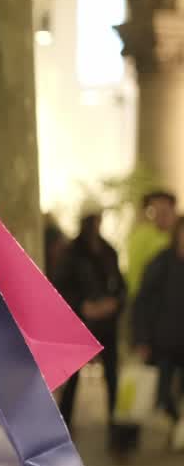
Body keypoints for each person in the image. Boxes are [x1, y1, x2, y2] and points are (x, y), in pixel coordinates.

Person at [56, 208, 127, 442]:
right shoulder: (72, 253)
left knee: (112, 374)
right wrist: (82, 306)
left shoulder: (108, 251)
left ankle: (116, 422)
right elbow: (62, 287)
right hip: (81, 324)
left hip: (107, 324)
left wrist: (114, 304)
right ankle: (65, 422)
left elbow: (120, 285)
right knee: (73, 377)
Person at [133, 216, 184, 444]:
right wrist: (141, 339)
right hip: (163, 342)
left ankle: (179, 428)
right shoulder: (161, 263)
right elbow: (142, 302)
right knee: (162, 393)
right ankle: (177, 421)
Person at [126, 190, 176, 300]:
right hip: (149, 300)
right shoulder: (142, 235)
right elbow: (135, 275)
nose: (160, 216)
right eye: (154, 211)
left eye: (164, 211)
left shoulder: (177, 234)